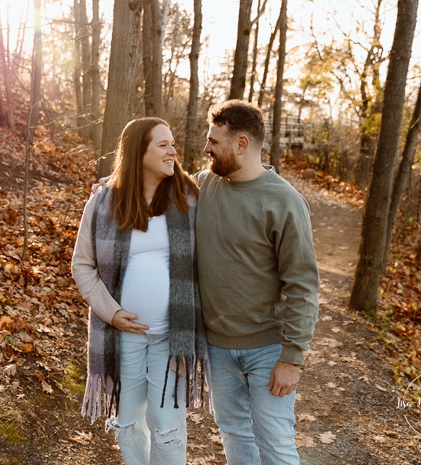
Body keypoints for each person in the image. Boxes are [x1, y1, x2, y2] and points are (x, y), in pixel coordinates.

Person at [71, 117, 209, 465]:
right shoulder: (103, 203)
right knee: (129, 423)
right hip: (123, 336)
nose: (173, 150)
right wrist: (111, 313)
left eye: (173, 143)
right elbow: (82, 265)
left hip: (172, 337)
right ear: (138, 151)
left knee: (167, 427)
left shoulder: (190, 199)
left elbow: (233, 183)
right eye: (162, 144)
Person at [195, 99, 320, 465]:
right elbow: (153, 186)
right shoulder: (203, 185)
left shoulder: (284, 201)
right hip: (217, 348)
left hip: (268, 348)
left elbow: (302, 284)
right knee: (234, 433)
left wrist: (293, 358)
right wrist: (114, 185)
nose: (206, 149)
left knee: (276, 444)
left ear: (242, 143)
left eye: (214, 141)